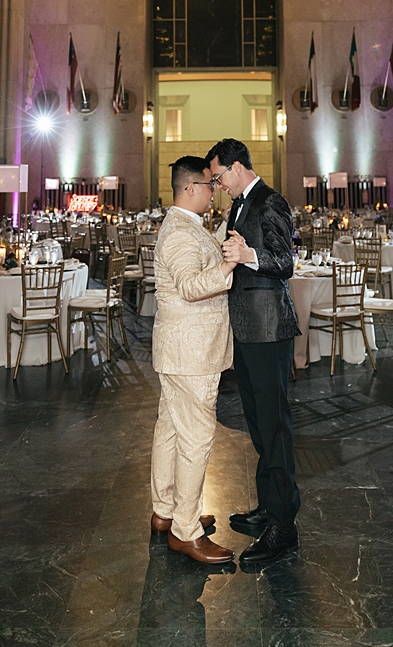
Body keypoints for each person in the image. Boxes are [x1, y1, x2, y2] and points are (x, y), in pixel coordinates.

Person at [206, 138, 301, 566]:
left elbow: (286, 262)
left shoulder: (270, 201)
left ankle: (285, 526)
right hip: (247, 329)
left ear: (238, 166)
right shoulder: (239, 204)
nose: (218, 184)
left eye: (219, 176)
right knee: (259, 427)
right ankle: (268, 506)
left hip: (269, 329)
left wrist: (250, 254)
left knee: (275, 426)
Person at [150, 155, 238, 565]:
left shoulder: (186, 226)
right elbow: (189, 286)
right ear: (189, 189)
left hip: (180, 350)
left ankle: (166, 510)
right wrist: (229, 264)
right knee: (196, 439)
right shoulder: (180, 234)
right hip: (191, 353)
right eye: (209, 186)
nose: (213, 190)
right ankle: (186, 531)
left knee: (170, 430)